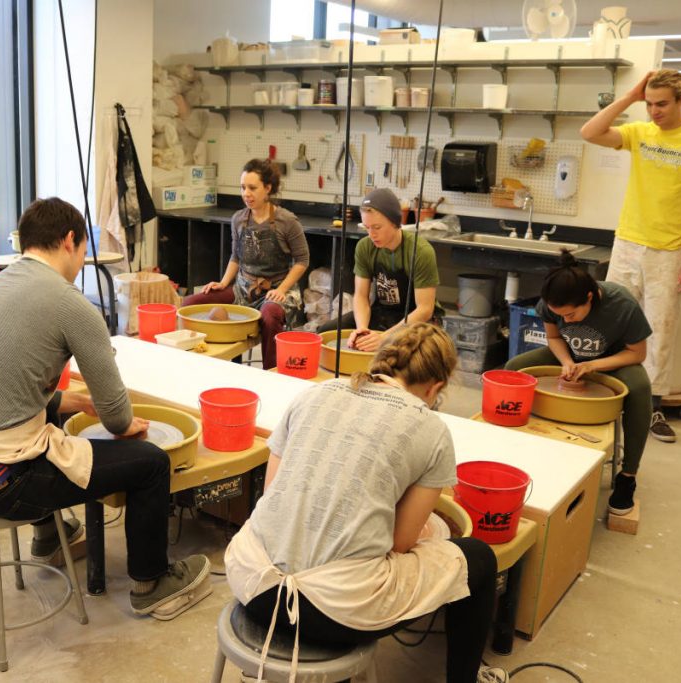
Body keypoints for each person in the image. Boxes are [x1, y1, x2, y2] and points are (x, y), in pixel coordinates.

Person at [0, 197, 211, 617]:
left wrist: (72, 401)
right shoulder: (71, 304)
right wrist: (122, 423)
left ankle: (50, 538)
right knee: (150, 463)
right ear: (72, 240)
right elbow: (117, 416)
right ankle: (153, 583)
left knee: (53, 416)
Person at [224, 323, 506, 683]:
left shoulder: (314, 393)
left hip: (252, 579)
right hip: (333, 610)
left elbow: (274, 492)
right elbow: (401, 542)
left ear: (380, 362)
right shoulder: (431, 429)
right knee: (479, 557)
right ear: (436, 387)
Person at [581, 69, 681, 443]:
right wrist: (630, 98)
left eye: (661, 104)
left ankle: (652, 405)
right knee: (612, 320)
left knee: (660, 328)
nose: (654, 111)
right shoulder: (640, 132)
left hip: (669, 249)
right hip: (628, 241)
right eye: (649, 103)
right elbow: (590, 132)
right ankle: (609, 392)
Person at [505, 251, 652, 515]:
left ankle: (628, 476)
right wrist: (566, 362)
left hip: (612, 360)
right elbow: (555, 338)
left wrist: (593, 365)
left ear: (590, 297)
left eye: (571, 315)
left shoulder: (622, 305)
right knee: (514, 369)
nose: (566, 320)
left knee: (640, 388)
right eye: (561, 316)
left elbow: (636, 353)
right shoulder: (552, 304)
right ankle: (511, 451)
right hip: (570, 354)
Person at [182, 159, 309, 369]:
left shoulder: (287, 221)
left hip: (277, 290)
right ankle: (211, 365)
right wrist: (223, 283)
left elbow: (302, 260)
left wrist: (283, 290)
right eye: (243, 188)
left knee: (270, 314)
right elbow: (236, 257)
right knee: (190, 304)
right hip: (243, 289)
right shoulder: (239, 219)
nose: (246, 194)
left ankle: (270, 373)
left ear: (268, 188)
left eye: (252, 188)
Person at [319, 187, 444, 351]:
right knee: (324, 333)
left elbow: (425, 309)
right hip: (382, 312)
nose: (371, 234)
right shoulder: (365, 247)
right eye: (367, 227)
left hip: (417, 320)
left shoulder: (420, 251)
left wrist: (384, 338)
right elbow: (361, 296)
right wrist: (362, 329)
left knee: (400, 353)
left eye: (377, 227)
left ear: (395, 222)